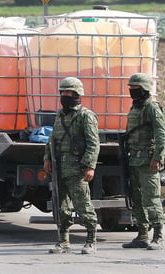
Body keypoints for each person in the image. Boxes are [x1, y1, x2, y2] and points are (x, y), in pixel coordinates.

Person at [44, 77, 100, 254]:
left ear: (77, 94)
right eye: (63, 92)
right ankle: (63, 241)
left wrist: (90, 166)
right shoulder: (59, 116)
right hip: (59, 167)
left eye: (69, 93)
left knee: (83, 204)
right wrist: (46, 158)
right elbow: (52, 139)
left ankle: (91, 240)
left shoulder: (86, 116)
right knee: (61, 206)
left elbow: (93, 143)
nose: (65, 95)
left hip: (77, 168)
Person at [122, 73, 165, 250]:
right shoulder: (135, 107)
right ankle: (142, 235)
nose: (132, 92)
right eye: (131, 89)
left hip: (148, 161)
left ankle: (158, 236)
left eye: (136, 89)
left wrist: (157, 157)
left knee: (151, 198)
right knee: (136, 198)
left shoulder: (151, 107)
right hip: (133, 159)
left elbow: (162, 135)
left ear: (145, 89)